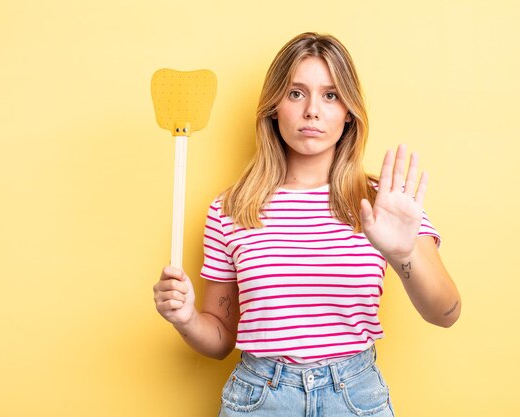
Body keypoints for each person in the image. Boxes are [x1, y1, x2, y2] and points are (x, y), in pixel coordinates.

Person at [153, 32, 461, 416]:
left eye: (330, 95)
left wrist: (402, 255)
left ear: (349, 110)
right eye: (296, 93)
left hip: (355, 398)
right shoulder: (231, 208)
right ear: (273, 107)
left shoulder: (386, 203)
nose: (312, 110)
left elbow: (446, 313)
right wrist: (185, 320)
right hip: (259, 399)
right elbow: (219, 339)